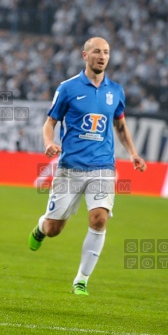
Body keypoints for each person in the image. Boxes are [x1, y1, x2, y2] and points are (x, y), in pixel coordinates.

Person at [27, 37, 147, 296]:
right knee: (54, 229)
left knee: (99, 219)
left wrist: (134, 153)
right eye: (96, 52)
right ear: (85, 55)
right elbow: (50, 123)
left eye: (106, 52)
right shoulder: (68, 88)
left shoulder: (116, 90)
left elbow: (120, 126)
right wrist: (49, 142)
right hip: (70, 168)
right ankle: (41, 227)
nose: (102, 56)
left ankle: (81, 279)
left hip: (103, 167)